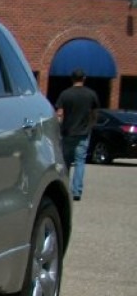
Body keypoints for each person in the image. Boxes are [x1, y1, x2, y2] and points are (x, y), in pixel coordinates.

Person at [55, 67, 100, 201]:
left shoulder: (65, 94)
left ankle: (65, 188)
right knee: (80, 162)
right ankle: (77, 191)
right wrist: (91, 125)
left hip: (68, 132)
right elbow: (95, 113)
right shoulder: (91, 94)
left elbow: (60, 114)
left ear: (72, 79)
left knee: (66, 162)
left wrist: (59, 127)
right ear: (84, 78)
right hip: (84, 133)